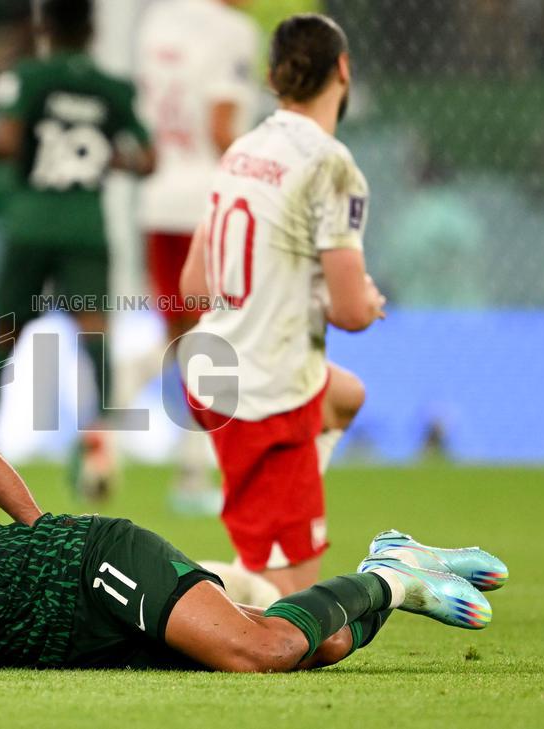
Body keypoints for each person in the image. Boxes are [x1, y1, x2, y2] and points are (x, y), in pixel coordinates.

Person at [0, 426, 507, 671]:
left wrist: (39, 526)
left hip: (81, 565)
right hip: (73, 649)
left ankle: (388, 568)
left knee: (255, 652)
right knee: (314, 643)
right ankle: (394, 581)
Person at [179, 13, 383, 598]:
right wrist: (367, 299)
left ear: (272, 77)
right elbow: (349, 312)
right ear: (342, 70)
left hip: (212, 372)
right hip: (267, 397)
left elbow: (196, 287)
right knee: (288, 615)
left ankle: (273, 524)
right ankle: (169, 583)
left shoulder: (242, 149)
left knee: (345, 397)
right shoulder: (331, 165)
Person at [0, 0, 154, 499]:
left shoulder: (28, 78)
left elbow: (4, 141)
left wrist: (13, 145)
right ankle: (100, 451)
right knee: (94, 331)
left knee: (4, 336)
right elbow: (148, 158)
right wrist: (106, 159)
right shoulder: (113, 88)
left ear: (45, 27)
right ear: (93, 30)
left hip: (30, 221)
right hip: (86, 226)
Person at [132, 0, 261, 515]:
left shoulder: (156, 20)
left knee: (183, 335)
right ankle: (192, 473)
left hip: (159, 199)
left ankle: (102, 420)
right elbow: (221, 124)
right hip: (209, 201)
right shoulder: (233, 30)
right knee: (210, 337)